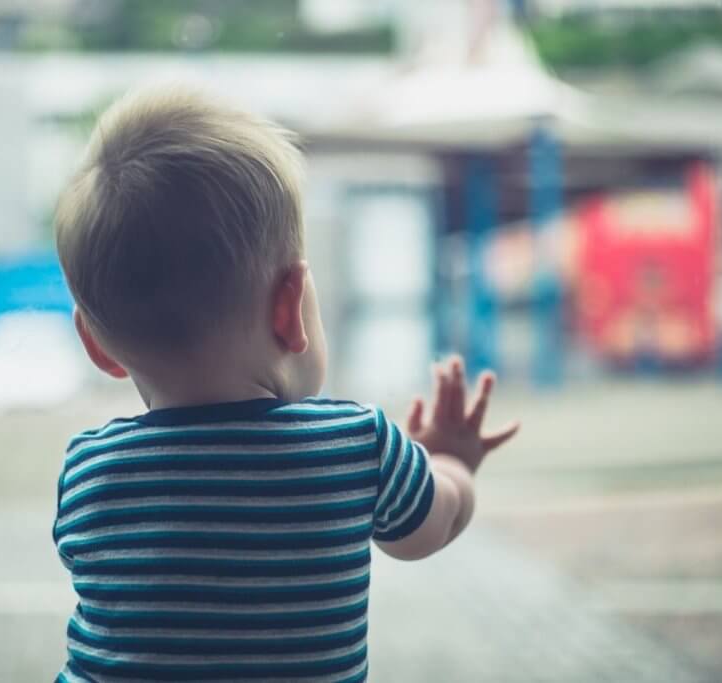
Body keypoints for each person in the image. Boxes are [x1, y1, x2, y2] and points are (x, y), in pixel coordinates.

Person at [51, 87, 520, 683]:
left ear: (96, 345)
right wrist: (450, 460)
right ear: (290, 308)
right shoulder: (355, 444)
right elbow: (431, 528)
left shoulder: (90, 471)